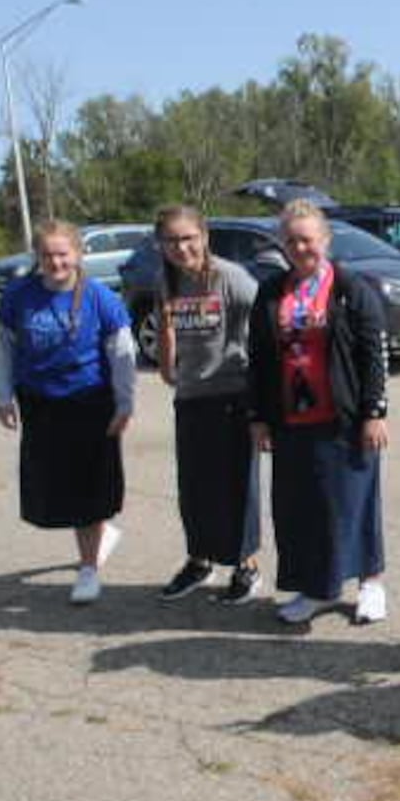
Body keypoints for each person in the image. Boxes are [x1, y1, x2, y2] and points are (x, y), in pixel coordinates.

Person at [247, 199, 389, 625]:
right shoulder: (271, 291)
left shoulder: (351, 288)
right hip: (291, 421)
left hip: (344, 419)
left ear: (325, 240)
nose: (300, 247)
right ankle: (316, 588)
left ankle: (371, 583)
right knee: (302, 509)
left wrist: (374, 412)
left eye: (307, 239)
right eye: (291, 240)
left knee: (355, 503)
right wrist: (258, 417)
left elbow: (373, 355)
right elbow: (257, 358)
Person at [0, 219, 136, 604]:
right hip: (40, 404)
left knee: (88, 490)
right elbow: (5, 348)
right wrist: (3, 396)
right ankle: (100, 536)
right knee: (54, 490)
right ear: (37, 257)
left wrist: (125, 404)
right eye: (47, 255)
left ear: (78, 253)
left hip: (89, 403)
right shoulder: (18, 296)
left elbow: (123, 356)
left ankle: (89, 569)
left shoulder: (101, 299)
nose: (55, 262)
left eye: (62, 253)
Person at [153, 205, 264, 605]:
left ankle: (246, 567)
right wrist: (169, 368)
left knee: (237, 487)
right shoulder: (168, 280)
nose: (181, 248)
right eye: (172, 240)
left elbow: (266, 321)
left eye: (188, 238)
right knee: (195, 487)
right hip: (191, 397)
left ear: (204, 237)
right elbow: (165, 328)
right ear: (161, 245)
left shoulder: (231, 278)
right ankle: (199, 562)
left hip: (233, 396)